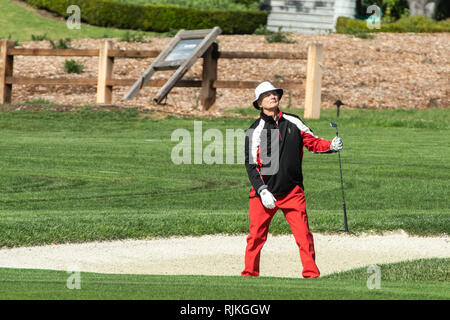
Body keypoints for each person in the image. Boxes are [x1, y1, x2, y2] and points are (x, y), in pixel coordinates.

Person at [242, 81, 343, 278]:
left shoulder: (293, 121)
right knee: (255, 237)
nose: (273, 97)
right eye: (267, 95)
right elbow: (251, 165)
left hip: (292, 191)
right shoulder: (255, 130)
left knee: (304, 236)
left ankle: (311, 274)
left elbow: (312, 142)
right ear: (259, 103)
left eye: (275, 93)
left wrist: (330, 145)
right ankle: (249, 275)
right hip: (264, 193)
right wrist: (262, 190)